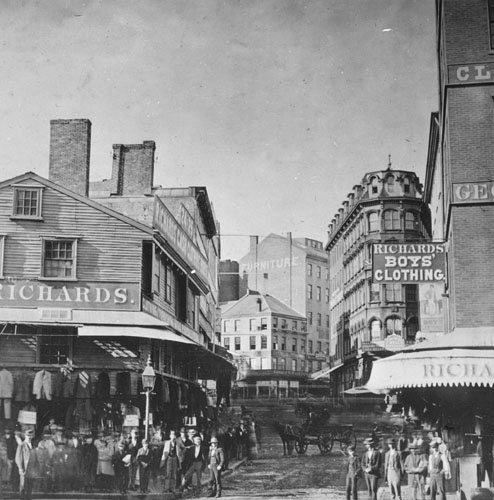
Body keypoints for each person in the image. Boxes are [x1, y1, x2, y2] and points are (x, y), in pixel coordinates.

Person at [15, 429, 35, 500]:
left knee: (30, 486)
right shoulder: (21, 445)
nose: (29, 437)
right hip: (24, 469)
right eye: (28, 435)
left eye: (30, 435)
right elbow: (17, 458)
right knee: (23, 486)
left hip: (31, 470)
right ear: (25, 436)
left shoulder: (33, 445)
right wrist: (20, 468)